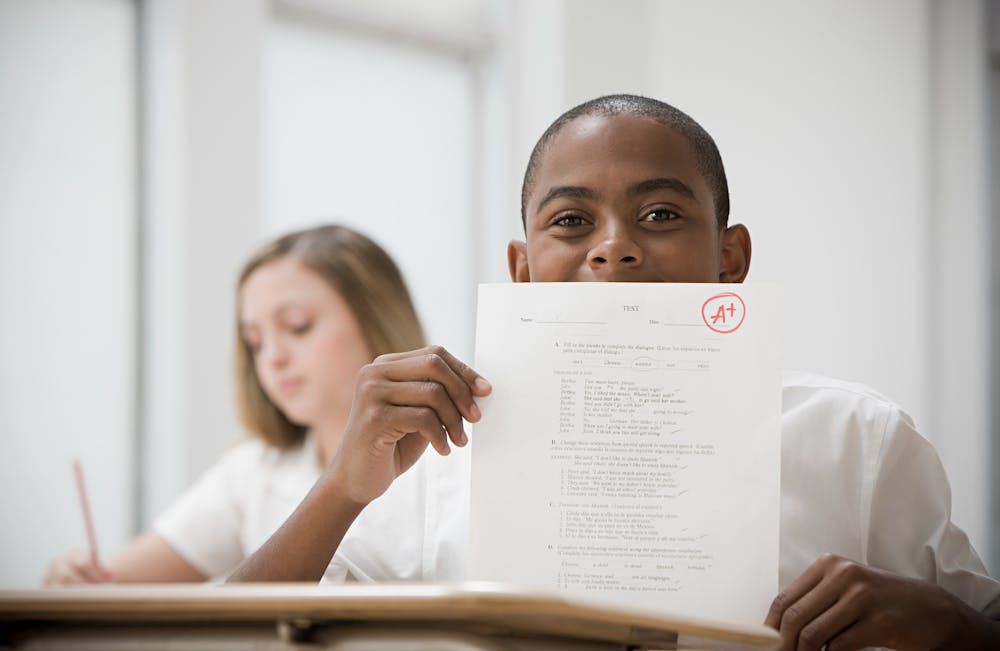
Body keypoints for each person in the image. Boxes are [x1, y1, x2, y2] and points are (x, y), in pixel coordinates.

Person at [237, 94, 1000, 649]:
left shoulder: (855, 438)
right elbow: (224, 639)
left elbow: (980, 625)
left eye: (661, 214)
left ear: (730, 258)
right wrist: (342, 487)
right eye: (571, 221)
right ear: (524, 268)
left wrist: (950, 624)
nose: (614, 249)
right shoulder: (441, 461)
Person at [43, 223, 462, 584]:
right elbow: (115, 586)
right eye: (255, 342)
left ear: (377, 317)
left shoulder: (457, 460)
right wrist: (76, 578)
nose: (273, 358)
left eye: (298, 327)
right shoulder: (254, 470)